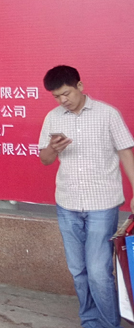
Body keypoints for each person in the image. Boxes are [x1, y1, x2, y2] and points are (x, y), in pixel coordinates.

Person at [39, 65, 134, 328]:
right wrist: (52, 148)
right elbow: (45, 159)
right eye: (56, 96)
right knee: (78, 271)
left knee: (98, 271)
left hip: (102, 205)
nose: (62, 100)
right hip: (67, 203)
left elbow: (126, 152)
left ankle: (108, 324)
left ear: (79, 86)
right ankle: (90, 321)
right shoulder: (53, 118)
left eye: (66, 93)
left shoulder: (107, 114)